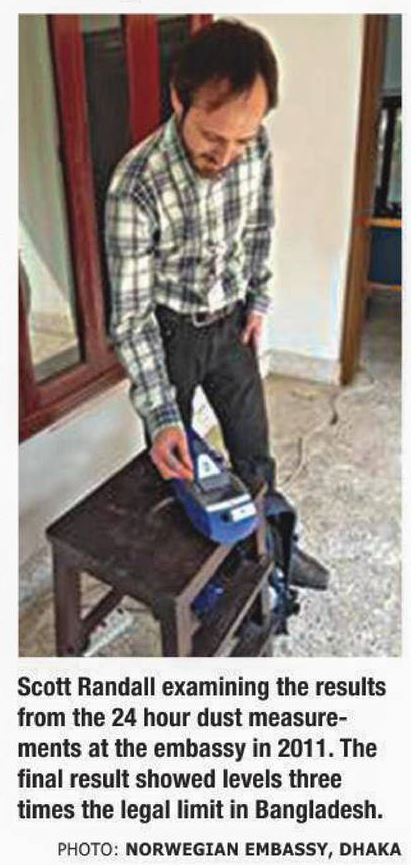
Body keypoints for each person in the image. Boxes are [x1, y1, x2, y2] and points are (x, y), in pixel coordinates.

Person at [105, 19, 328, 591]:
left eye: (242, 140)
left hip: (232, 325)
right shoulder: (136, 186)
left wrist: (258, 297)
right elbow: (131, 318)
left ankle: (273, 554)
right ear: (178, 99)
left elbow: (258, 226)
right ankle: (205, 583)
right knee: (176, 467)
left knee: (254, 453)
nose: (227, 155)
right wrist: (160, 416)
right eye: (212, 137)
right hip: (170, 335)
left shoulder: (256, 147)